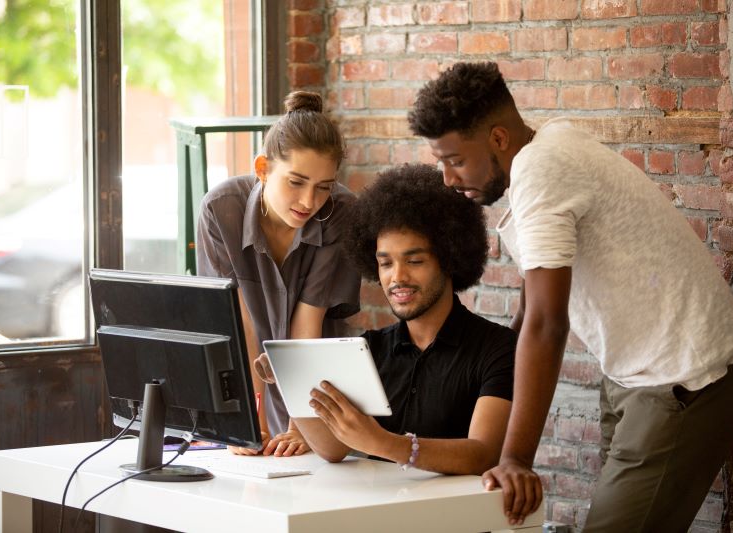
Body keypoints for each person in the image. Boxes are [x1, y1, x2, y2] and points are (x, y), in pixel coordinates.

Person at [408, 61, 733, 531]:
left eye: (454, 160)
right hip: (632, 377)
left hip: (685, 379)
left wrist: (514, 457)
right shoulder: (549, 143)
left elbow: (548, 324)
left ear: (497, 139)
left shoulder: (541, 169)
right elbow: (529, 309)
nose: (447, 178)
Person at [284, 163, 517, 475]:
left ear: (450, 258)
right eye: (385, 263)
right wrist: (288, 375)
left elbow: (483, 454)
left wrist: (382, 442)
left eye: (415, 260)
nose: (397, 277)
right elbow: (333, 449)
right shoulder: (368, 349)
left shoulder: (497, 349)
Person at [196, 91, 361, 456]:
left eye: (323, 187)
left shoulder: (342, 213)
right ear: (262, 169)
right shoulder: (221, 209)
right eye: (296, 182)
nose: (308, 202)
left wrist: (301, 425)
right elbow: (241, 323)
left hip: (320, 383)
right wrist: (251, 421)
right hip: (250, 379)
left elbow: (308, 324)